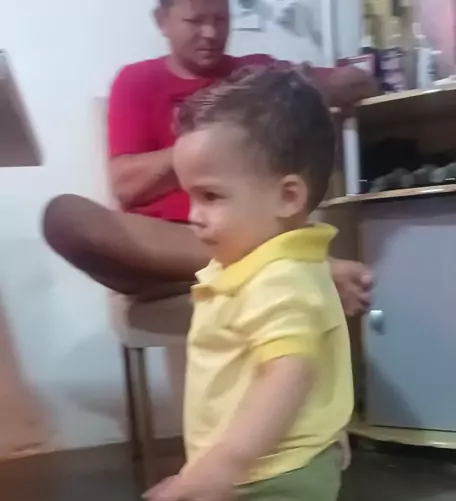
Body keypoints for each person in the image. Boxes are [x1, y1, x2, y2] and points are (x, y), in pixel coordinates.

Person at [146, 67, 359, 501]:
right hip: (295, 460)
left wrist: (225, 464)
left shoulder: (276, 282)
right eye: (190, 196)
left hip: (268, 470)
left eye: (210, 196)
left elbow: (288, 373)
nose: (194, 215)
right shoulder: (275, 260)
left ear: (288, 196)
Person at [42, 0, 373, 313]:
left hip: (247, 228)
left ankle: (279, 262)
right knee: (64, 217)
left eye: (220, 19)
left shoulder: (255, 75)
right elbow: (126, 185)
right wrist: (210, 144)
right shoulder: (137, 81)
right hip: (163, 245)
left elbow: (361, 81)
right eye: (195, 20)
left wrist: (306, 91)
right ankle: (290, 263)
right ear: (162, 21)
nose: (211, 33)